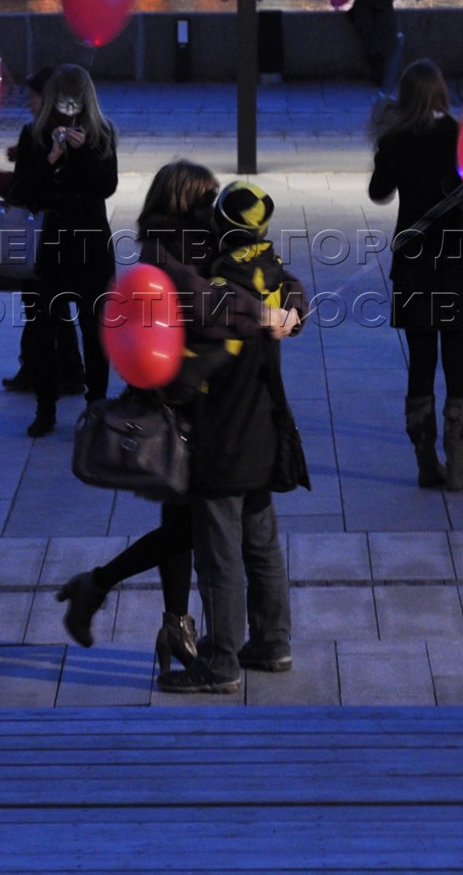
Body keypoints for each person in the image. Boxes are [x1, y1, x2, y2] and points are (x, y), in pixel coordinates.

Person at [57, 169, 305, 682]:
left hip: (221, 420)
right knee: (203, 533)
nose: (214, 203)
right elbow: (204, 300)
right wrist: (266, 313)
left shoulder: (217, 241)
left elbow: (280, 278)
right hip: (188, 416)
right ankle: (211, 635)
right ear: (183, 201)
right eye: (207, 196)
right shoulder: (165, 255)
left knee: (208, 539)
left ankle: (202, 645)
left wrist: (291, 309)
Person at [369, 59, 463, 491]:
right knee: (459, 366)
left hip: (414, 269)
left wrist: (384, 147)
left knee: (420, 366)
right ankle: (458, 469)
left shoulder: (396, 141)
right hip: (460, 266)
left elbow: (379, 192)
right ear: (443, 93)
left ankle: (426, 464)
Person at [0, 66, 85, 397]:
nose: (29, 103)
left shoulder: (38, 133)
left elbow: (29, 189)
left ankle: (47, 371)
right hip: (63, 233)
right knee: (52, 306)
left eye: (33, 96)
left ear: (48, 98)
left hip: (41, 235)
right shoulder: (73, 131)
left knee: (41, 306)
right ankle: (58, 370)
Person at [7, 64, 117, 437]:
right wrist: (51, 157)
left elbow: (106, 186)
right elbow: (22, 192)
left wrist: (82, 152)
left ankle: (96, 406)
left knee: (93, 330)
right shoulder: (34, 134)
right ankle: (45, 408)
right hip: (48, 246)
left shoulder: (101, 134)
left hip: (89, 246)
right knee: (42, 331)